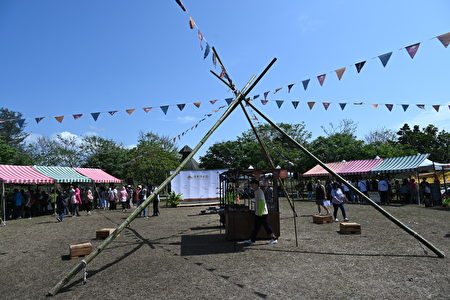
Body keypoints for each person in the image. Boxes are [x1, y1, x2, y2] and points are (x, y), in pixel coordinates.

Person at [244, 179, 278, 245]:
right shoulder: (257, 191)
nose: (251, 186)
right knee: (258, 227)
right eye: (251, 185)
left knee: (265, 226)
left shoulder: (259, 191)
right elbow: (259, 201)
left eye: (252, 184)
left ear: (256, 185)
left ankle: (274, 238)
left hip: (262, 213)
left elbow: (262, 202)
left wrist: (259, 213)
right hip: (260, 212)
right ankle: (252, 239)